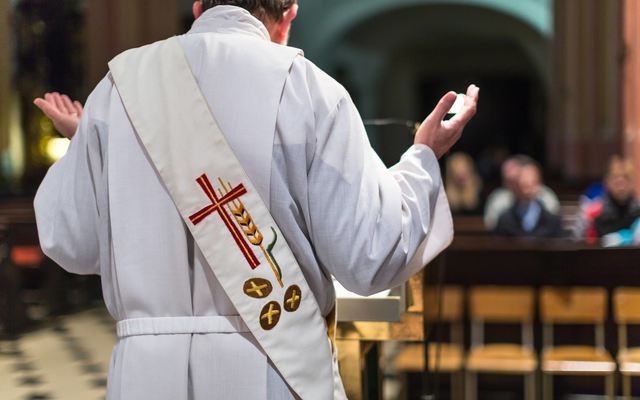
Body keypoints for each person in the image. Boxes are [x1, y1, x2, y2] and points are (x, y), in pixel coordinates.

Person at [32, 1, 479, 399]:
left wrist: (102, 143)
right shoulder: (307, 88)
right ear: (289, 14)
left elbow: (70, 240)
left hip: (144, 376)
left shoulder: (117, 90)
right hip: (268, 366)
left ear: (197, 7)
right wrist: (423, 157)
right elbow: (368, 255)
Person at [483, 155, 559, 230]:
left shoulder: (547, 200)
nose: (526, 190)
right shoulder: (501, 206)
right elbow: (491, 225)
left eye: (529, 184)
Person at [493, 163, 563, 238]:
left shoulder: (552, 221)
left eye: (531, 185)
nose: (526, 191)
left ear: (539, 185)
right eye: (523, 185)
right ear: (516, 186)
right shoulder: (505, 220)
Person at [590, 156, 640, 246]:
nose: (621, 182)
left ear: (633, 182)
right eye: (615, 177)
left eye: (626, 177)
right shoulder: (592, 211)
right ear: (606, 181)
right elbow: (580, 244)